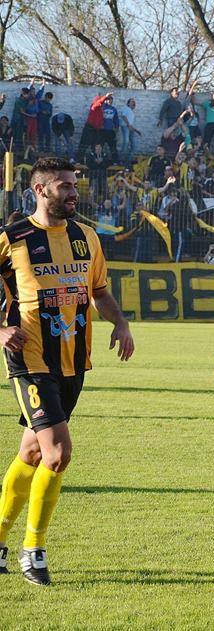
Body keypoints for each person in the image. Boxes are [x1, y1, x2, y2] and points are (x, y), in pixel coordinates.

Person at [0, 158, 135, 585]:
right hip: (31, 360)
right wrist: (2, 328)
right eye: (64, 187)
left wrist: (120, 321)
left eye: (75, 185)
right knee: (58, 454)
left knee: (32, 454)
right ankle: (33, 550)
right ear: (40, 191)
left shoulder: (86, 237)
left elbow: (98, 290)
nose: (74, 193)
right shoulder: (12, 238)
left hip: (74, 361)